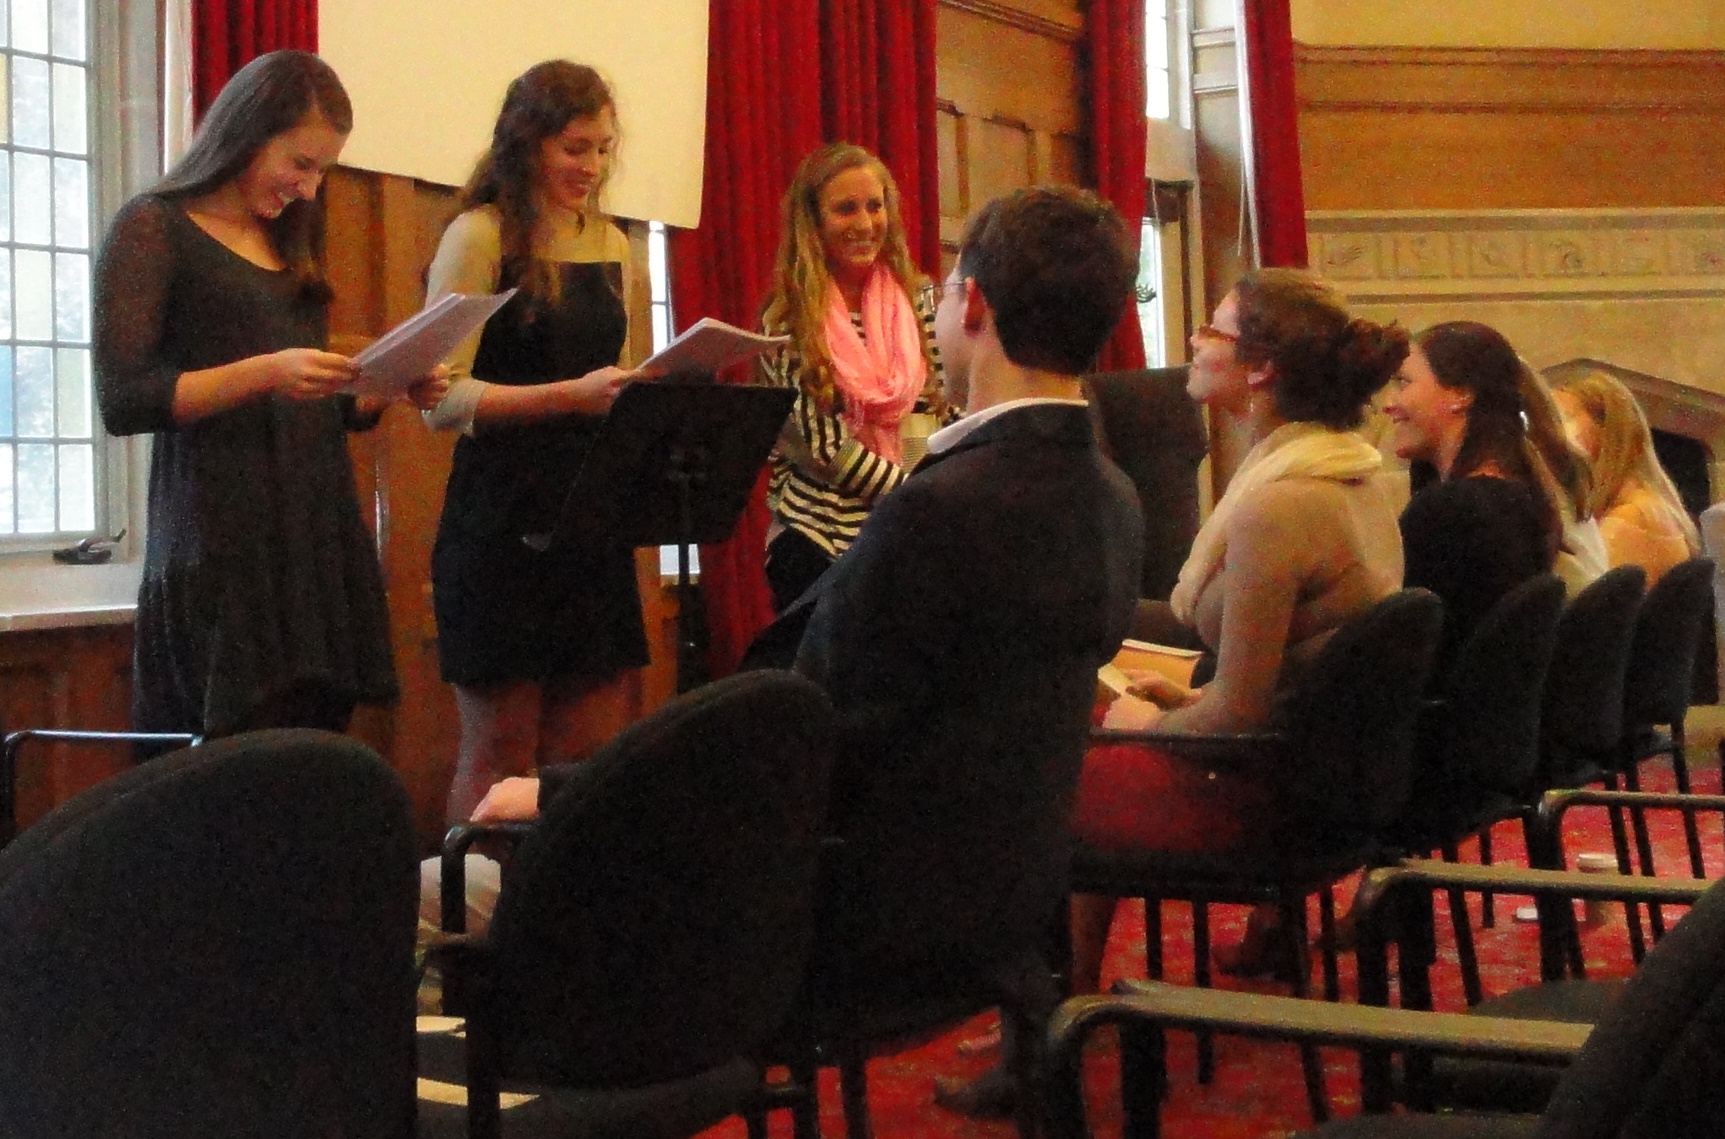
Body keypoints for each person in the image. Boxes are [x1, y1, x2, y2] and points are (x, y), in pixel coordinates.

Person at [472, 186, 1143, 1120]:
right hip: (990, 907)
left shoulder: (936, 514)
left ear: (972, 304)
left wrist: (564, 791)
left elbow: (791, 756)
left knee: (450, 889)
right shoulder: (1112, 496)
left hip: (838, 924)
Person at [1069, 269, 1409, 988]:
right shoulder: (1352, 475)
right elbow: (1282, 681)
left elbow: (1242, 714)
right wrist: (1180, 700)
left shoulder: (1278, 504)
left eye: (1213, 329)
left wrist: (1137, 725)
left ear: (1261, 369)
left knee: (1052, 774)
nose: (1194, 341)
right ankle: (1066, 998)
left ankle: (1048, 1025)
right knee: (1100, 711)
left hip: (1267, 800)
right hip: (1323, 787)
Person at [94, 50, 446, 739]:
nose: (310, 189)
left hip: (315, 540)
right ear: (246, 134)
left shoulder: (289, 239)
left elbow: (310, 402)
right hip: (221, 542)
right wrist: (267, 370)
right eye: (300, 164)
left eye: (322, 170)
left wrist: (380, 387)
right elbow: (125, 397)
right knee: (229, 780)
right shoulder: (153, 226)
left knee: (314, 769)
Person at [423, 61, 654, 826]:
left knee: (584, 758)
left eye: (601, 149)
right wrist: (568, 396)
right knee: (498, 751)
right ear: (528, 145)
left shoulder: (617, 245)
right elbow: (442, 398)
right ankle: (476, 928)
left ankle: (559, 929)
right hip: (499, 521)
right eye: (574, 149)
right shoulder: (478, 233)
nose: (591, 168)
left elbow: (628, 376)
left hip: (591, 516)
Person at [758, 142, 946, 612]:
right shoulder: (787, 321)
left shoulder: (917, 299)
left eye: (874, 206)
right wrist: (921, 497)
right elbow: (824, 452)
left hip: (906, 532)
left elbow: (938, 408)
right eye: (845, 210)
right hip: (818, 541)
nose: (865, 224)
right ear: (813, 223)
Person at [1386, 322, 1594, 667]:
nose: (1390, 405)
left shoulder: (1450, 512)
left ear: (1461, 393)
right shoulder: (1523, 496)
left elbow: (1402, 648)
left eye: (1405, 383)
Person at [1551, 369, 1699, 583]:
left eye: (1564, 417)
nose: (1553, 431)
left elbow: (1582, 603)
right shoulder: (1646, 502)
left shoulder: (1631, 517)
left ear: (1607, 430)